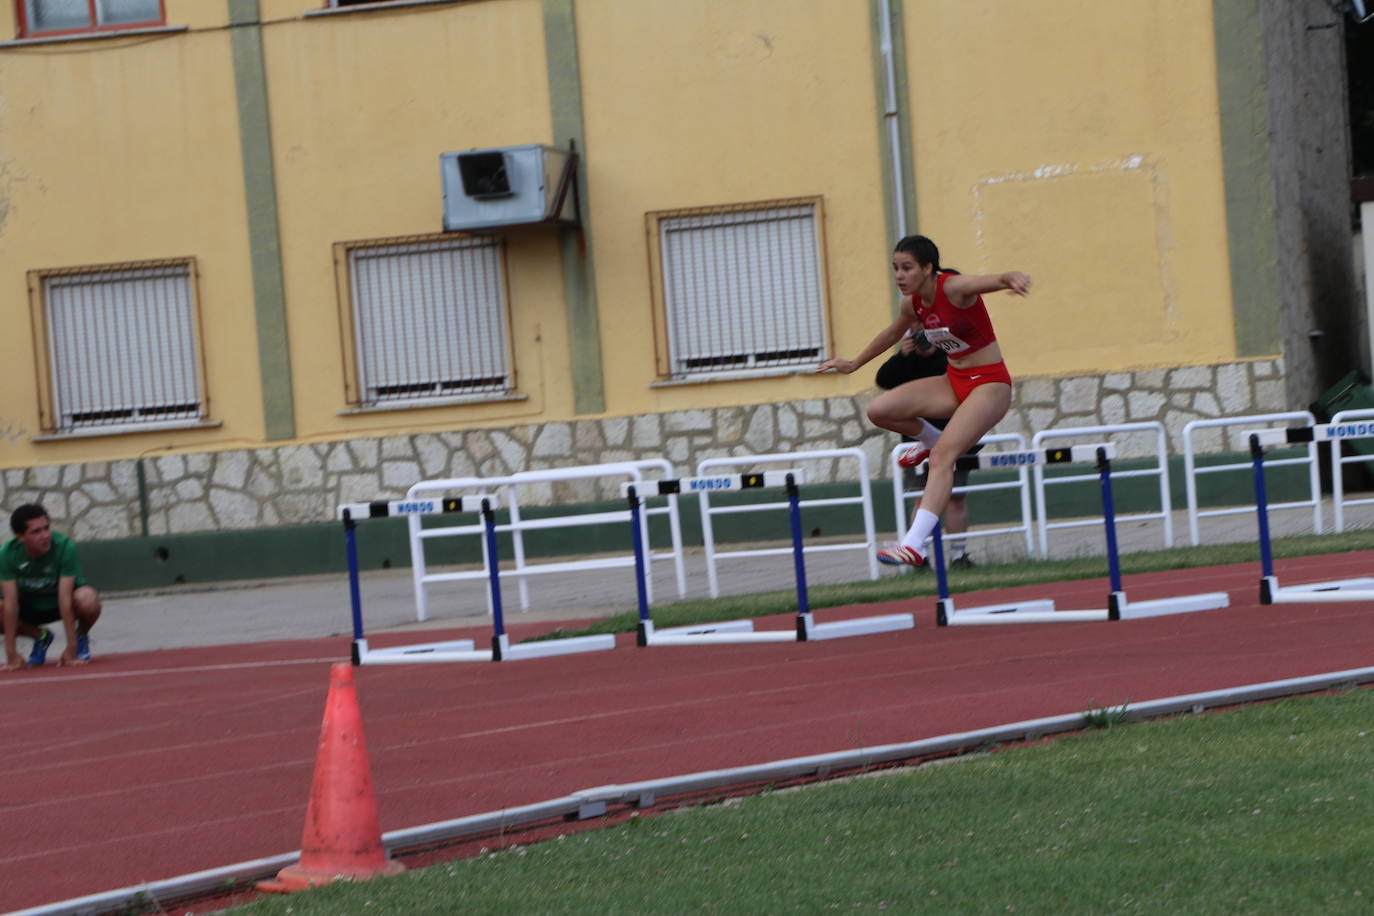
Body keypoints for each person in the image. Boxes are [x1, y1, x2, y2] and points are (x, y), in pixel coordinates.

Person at [819, 234, 1030, 567]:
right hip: (954, 381)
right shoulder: (913, 303)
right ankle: (929, 439)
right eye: (895, 269)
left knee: (944, 457)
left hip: (989, 384)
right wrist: (854, 363)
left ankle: (914, 544)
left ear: (928, 268)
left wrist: (1011, 278)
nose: (899, 276)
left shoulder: (952, 288)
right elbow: (891, 334)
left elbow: (989, 281)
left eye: (907, 268)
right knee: (880, 410)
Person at [873, 328, 980, 569]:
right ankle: (918, 554)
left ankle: (958, 555)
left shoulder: (949, 356)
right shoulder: (906, 361)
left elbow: (956, 382)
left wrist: (936, 351)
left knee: (956, 498)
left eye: (926, 335)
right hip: (916, 441)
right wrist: (903, 356)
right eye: (917, 336)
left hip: (956, 433)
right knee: (920, 499)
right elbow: (883, 380)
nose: (923, 341)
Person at [1, 503, 102, 669]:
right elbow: (11, 604)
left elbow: (64, 598)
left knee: (88, 599)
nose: (45, 535)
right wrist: (10, 653)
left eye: (46, 528)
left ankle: (80, 636)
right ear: (20, 537)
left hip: (60, 603)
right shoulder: (6, 554)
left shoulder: (65, 547)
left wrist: (71, 648)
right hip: (29, 608)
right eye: (36, 532)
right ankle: (40, 636)